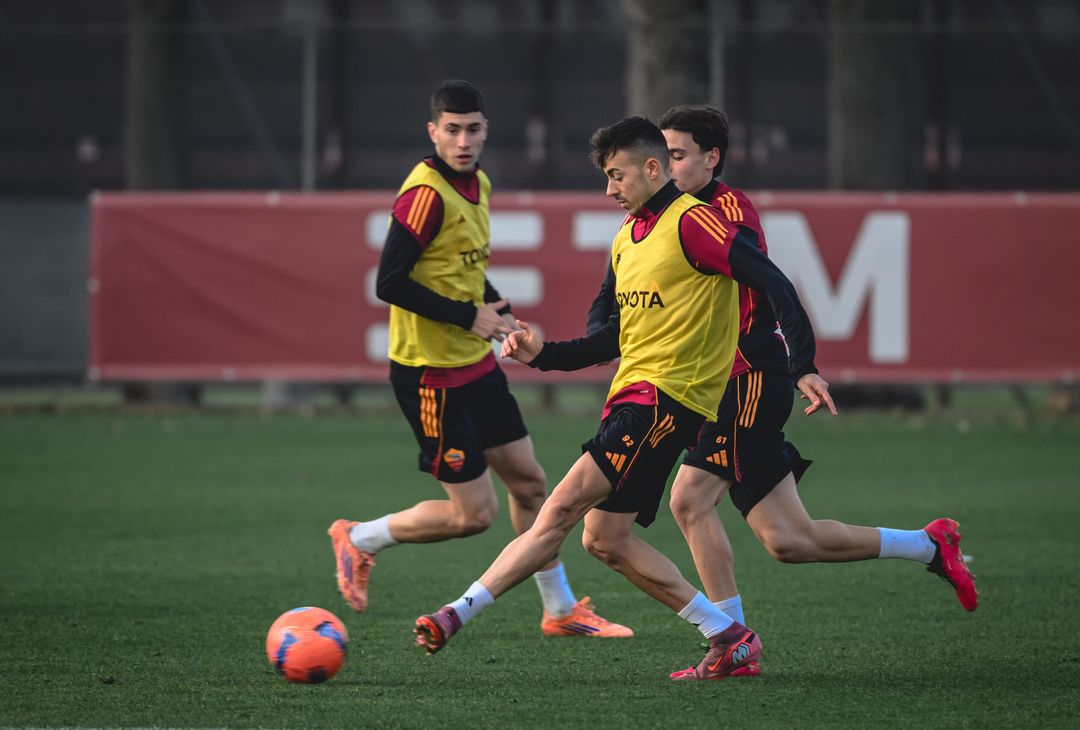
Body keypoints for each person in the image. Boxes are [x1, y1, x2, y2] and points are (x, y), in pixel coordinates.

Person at [413, 115, 834, 681]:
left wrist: (803, 365)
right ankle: (729, 636)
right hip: (633, 398)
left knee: (559, 509)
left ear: (652, 168)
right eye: (606, 177)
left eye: (617, 175)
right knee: (605, 540)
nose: (609, 189)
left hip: (664, 402)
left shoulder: (694, 223)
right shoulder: (628, 236)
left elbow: (774, 282)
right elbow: (612, 336)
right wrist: (542, 354)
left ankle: (455, 613)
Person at [586, 105, 978, 680]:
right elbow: (609, 297)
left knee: (689, 500)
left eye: (677, 155)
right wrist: (595, 338)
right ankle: (928, 545)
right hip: (707, 386)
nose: (665, 166)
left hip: (746, 378)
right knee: (790, 540)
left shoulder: (722, 212)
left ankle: (731, 645)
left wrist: (803, 366)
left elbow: (770, 283)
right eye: (661, 155)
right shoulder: (647, 223)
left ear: (711, 158)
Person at [328, 80, 631, 640]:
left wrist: (500, 310)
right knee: (474, 516)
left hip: (476, 365)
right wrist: (470, 317)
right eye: (452, 130)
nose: (463, 141)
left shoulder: (478, 183)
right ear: (433, 132)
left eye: (472, 129)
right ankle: (359, 537)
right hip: (430, 374)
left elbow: (463, 269)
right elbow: (389, 283)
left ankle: (559, 609)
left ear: (486, 130)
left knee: (531, 484)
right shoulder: (424, 195)